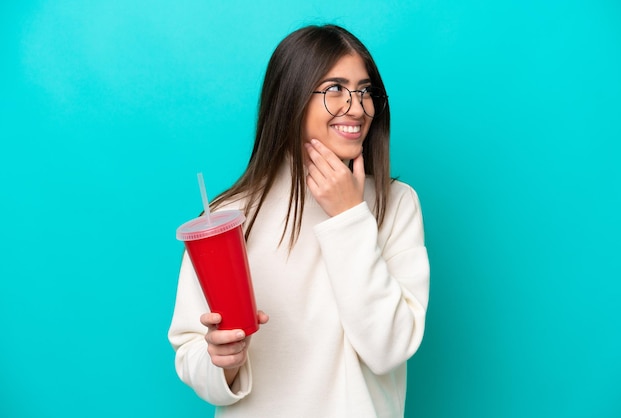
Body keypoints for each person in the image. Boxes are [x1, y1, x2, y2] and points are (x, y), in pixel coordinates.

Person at [168, 24, 430, 417]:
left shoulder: (396, 204)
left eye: (365, 91)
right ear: (290, 99)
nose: (357, 108)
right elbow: (192, 349)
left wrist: (348, 217)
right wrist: (224, 361)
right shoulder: (229, 217)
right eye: (335, 89)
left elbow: (388, 348)